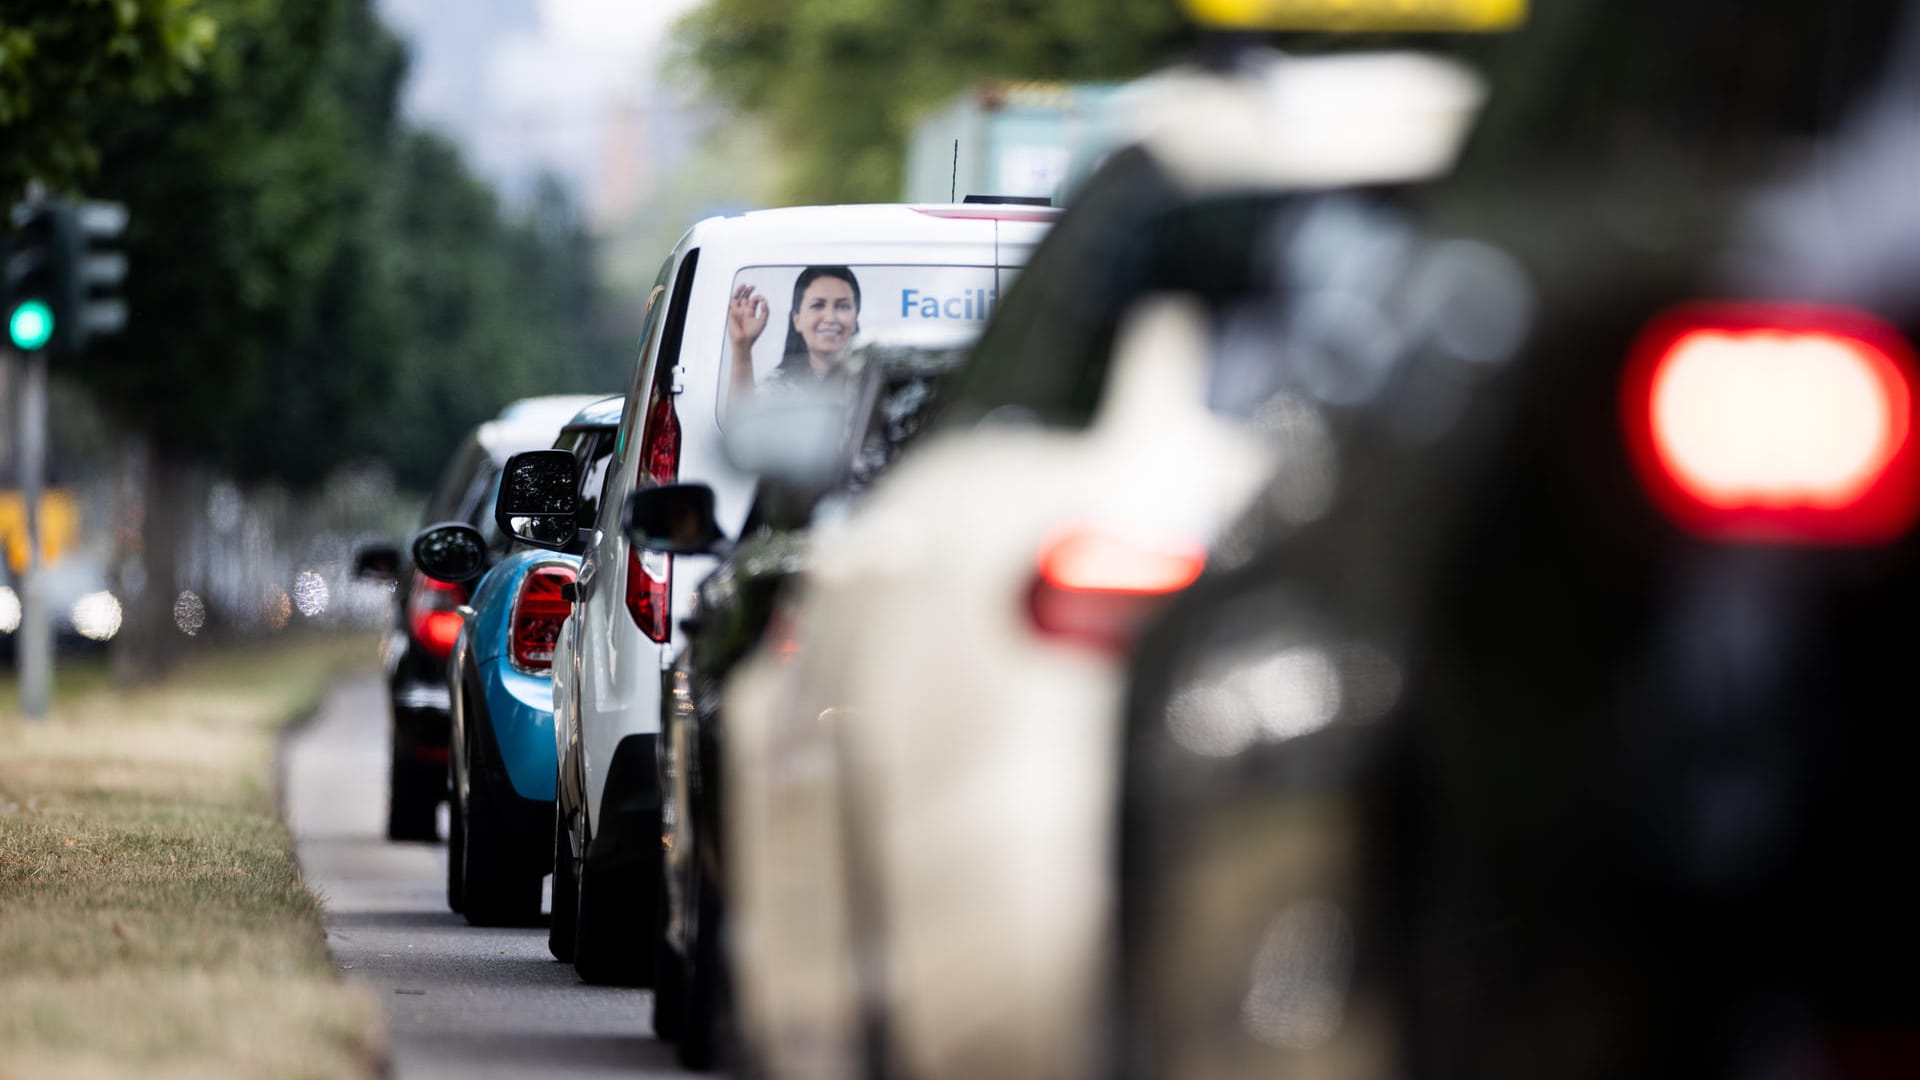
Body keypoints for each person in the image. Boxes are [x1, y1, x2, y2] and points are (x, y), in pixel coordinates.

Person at [728, 265, 863, 398]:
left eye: (843, 306)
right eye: (817, 305)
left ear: (855, 318)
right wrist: (742, 348)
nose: (830, 318)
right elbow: (742, 418)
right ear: (797, 320)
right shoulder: (777, 387)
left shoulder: (875, 381)